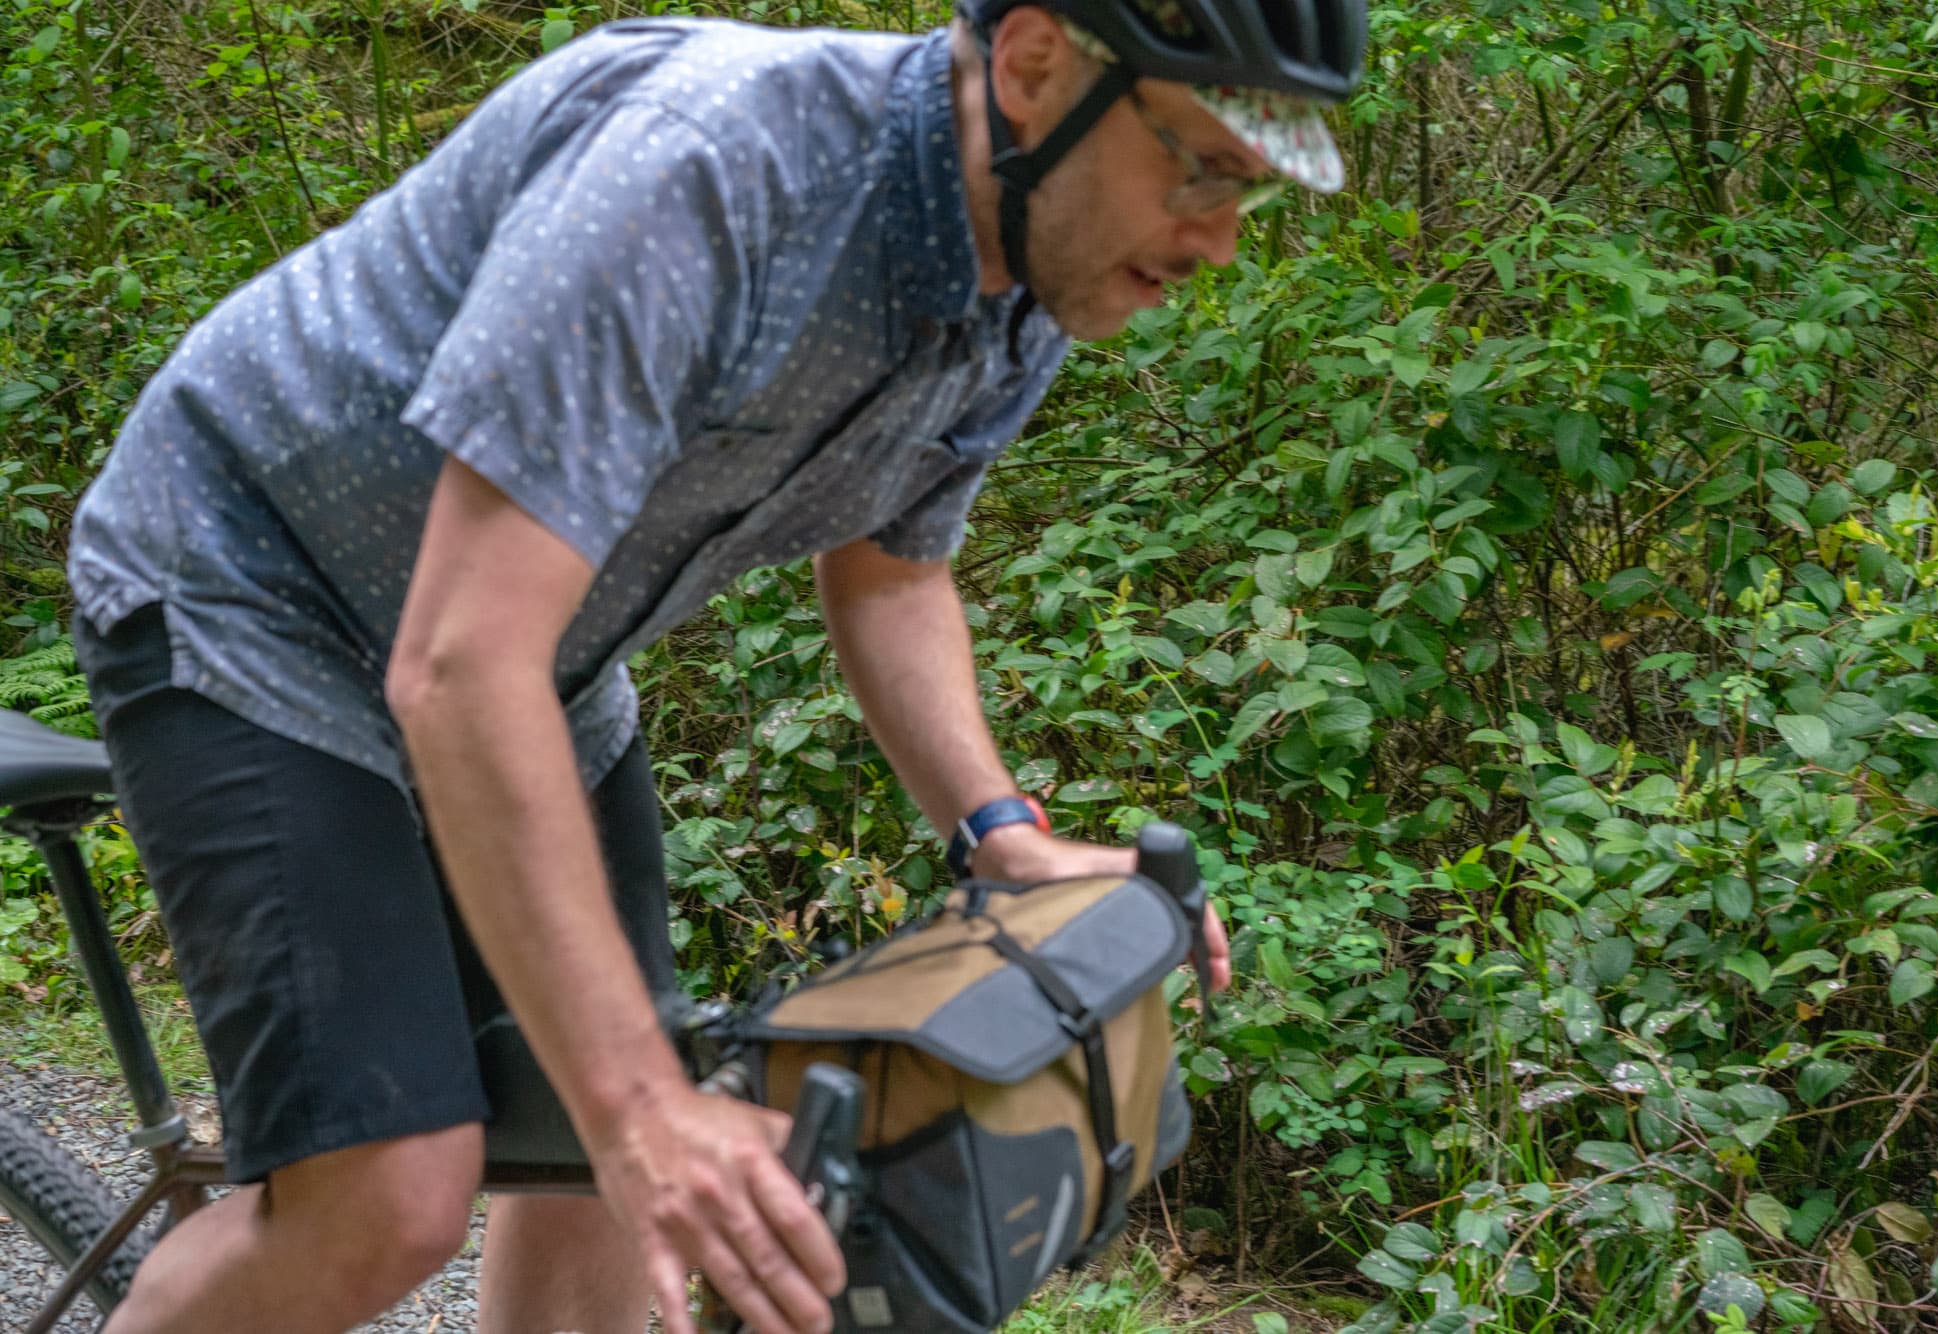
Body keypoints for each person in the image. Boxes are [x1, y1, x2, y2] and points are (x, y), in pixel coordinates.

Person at [65, 0, 1363, 1328]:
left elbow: (892, 571)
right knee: (390, 1201)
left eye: (1252, 191)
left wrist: (999, 831)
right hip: (255, 588)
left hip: (536, 663)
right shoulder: (705, 172)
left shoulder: (1027, 280)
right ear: (1034, 65)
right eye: (1201, 170)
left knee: (603, 1147)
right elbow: (461, 666)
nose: (1218, 239)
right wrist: (636, 1105)